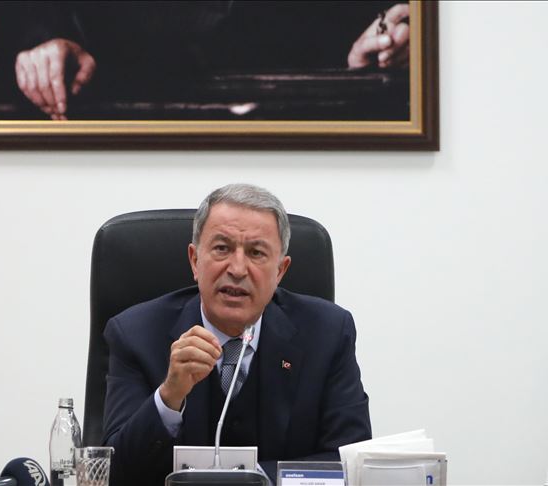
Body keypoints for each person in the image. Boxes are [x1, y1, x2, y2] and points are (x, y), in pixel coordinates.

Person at [101, 184, 371, 485]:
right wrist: (169, 396)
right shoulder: (135, 335)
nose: (238, 269)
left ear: (280, 271)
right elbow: (113, 473)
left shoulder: (328, 333)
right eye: (222, 248)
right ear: (195, 260)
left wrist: (251, 479)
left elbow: (350, 462)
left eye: (256, 253)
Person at [0, 2, 410, 120]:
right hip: (118, 123)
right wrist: (45, 41)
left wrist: (373, 41)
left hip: (306, 121)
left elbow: (368, 24)